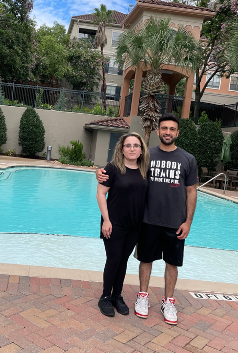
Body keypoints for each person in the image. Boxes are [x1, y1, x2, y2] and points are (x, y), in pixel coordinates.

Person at [96, 113, 198, 325]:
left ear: (177, 133)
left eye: (172, 129)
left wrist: (188, 222)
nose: (167, 132)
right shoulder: (148, 157)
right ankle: (141, 297)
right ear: (158, 131)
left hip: (173, 222)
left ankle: (168, 301)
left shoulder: (188, 159)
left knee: (171, 263)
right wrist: (99, 172)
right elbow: (119, 169)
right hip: (148, 221)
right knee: (145, 260)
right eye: (164, 128)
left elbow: (191, 191)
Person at [96, 132, 150, 317]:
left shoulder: (145, 170)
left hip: (134, 226)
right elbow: (101, 193)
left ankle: (116, 296)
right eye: (128, 145)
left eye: (136, 145)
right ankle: (105, 297)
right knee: (113, 259)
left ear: (141, 150)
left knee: (123, 260)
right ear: (122, 148)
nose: (132, 149)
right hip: (114, 224)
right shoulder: (113, 168)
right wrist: (106, 220)